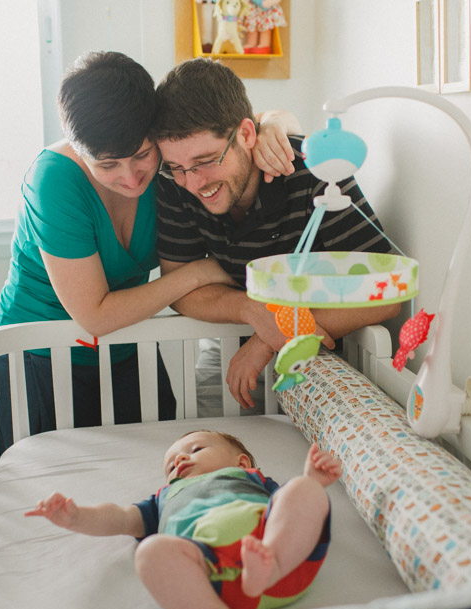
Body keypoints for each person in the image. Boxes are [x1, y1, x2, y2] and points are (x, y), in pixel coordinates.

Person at [0, 52, 299, 452]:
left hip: (127, 342)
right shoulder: (53, 180)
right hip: (36, 355)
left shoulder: (173, 169)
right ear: (80, 152)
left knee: (162, 463)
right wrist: (202, 272)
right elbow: (94, 315)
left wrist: (275, 123)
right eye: (107, 165)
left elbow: (253, 125)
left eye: (142, 155)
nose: (131, 177)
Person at [151, 58, 401, 411]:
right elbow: (178, 288)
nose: (194, 183)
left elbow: (389, 295)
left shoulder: (315, 171)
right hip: (230, 341)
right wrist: (253, 311)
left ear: (247, 134)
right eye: (178, 168)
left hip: (316, 349)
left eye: (206, 161)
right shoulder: (174, 184)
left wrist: (266, 339)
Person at [26, 430, 341, 609]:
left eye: (196, 449)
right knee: (151, 551)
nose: (179, 460)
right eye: (170, 465)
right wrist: (76, 516)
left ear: (241, 462)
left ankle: (267, 565)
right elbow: (119, 518)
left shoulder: (252, 479)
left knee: (300, 490)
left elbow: (293, 514)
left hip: (278, 563)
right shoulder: (163, 500)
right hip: (209, 577)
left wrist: (313, 480)